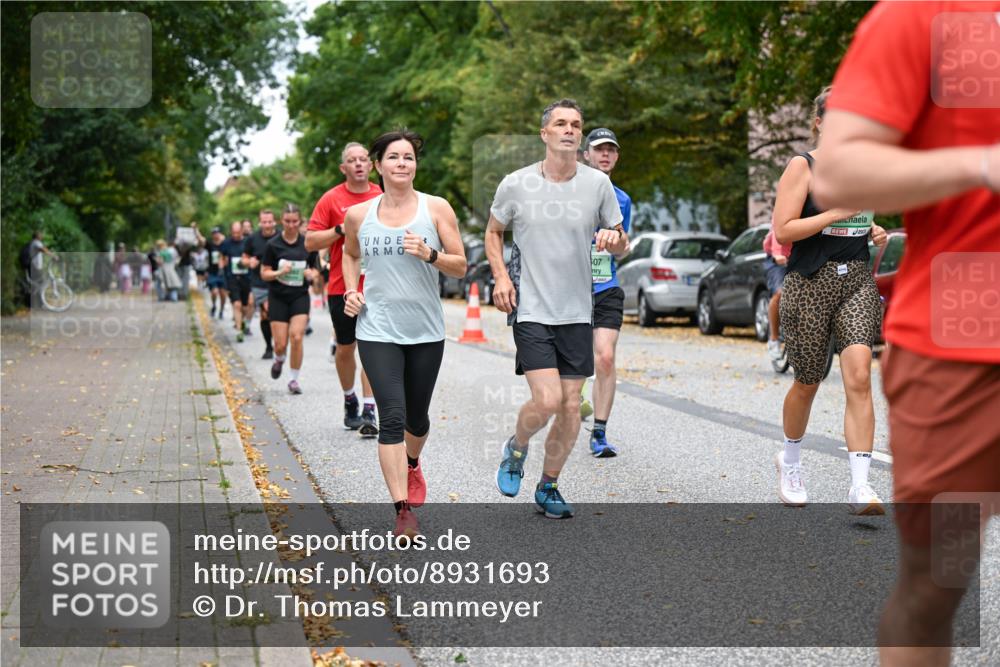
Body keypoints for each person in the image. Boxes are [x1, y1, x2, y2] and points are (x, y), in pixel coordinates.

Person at [811, 3, 999, 664]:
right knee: (939, 580)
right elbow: (837, 174)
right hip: (964, 350)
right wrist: (982, 163)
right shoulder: (929, 15)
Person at [486, 99, 628, 519]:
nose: (570, 129)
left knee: (570, 407)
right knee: (547, 401)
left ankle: (548, 485)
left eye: (576, 125)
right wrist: (500, 277)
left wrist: (613, 240)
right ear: (545, 133)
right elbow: (494, 233)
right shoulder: (516, 183)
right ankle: (516, 447)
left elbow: (621, 239)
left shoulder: (597, 186)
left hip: (577, 312)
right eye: (561, 124)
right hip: (531, 309)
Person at [342, 129, 466, 537]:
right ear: (378, 165)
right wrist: (350, 291)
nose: (401, 163)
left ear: (415, 165)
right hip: (377, 329)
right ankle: (401, 510)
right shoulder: (360, 215)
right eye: (393, 157)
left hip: (425, 330)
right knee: (391, 417)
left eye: (408, 157)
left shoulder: (436, 208)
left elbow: (461, 266)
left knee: (417, 418)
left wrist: (430, 254)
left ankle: (412, 464)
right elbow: (350, 253)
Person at [771, 85, 889, 514]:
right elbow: (783, 230)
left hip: (856, 279)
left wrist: (869, 229)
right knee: (808, 381)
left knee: (859, 376)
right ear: (819, 121)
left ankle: (861, 486)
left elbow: (861, 219)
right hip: (809, 282)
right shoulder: (803, 167)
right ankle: (790, 459)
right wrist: (834, 216)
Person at [306, 142, 383, 437]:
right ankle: (350, 398)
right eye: (353, 160)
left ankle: (369, 408)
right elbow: (311, 242)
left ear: (372, 164)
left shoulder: (383, 195)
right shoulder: (331, 199)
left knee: (374, 349)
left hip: (377, 285)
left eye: (364, 159)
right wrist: (340, 230)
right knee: (346, 348)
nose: (360, 164)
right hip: (342, 286)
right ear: (344, 168)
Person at [581, 127, 632, 457]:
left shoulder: (622, 200)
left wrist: (616, 244)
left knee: (606, 356)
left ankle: (598, 432)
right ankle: (576, 400)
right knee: (569, 367)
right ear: (586, 154)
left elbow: (623, 249)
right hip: (568, 289)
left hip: (605, 287)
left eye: (611, 150)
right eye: (599, 149)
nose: (605, 155)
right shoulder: (568, 193)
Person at [262, 204, 320, 394]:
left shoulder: (307, 244)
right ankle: (279, 359)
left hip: (299, 296)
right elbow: (264, 273)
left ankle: (294, 380)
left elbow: (316, 270)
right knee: (280, 344)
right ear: (281, 221)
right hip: (278, 296)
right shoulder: (273, 245)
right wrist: (280, 272)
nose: (291, 225)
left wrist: (311, 274)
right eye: (287, 221)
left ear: (300, 222)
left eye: (295, 221)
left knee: (296, 336)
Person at [244, 209, 278, 359]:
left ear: (274, 222)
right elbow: (243, 258)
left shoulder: (281, 237)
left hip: (278, 281)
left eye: (269, 222)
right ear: (260, 223)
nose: (267, 225)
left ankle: (278, 341)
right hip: (259, 282)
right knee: (265, 314)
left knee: (273, 313)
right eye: (264, 222)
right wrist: (249, 262)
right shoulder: (252, 239)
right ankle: (269, 346)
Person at [762, 227, 792, 361]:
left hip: (799, 255)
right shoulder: (787, 206)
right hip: (778, 257)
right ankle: (774, 339)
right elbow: (778, 232)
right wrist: (777, 254)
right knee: (780, 293)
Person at [221, 221, 251, 340]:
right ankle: (239, 331)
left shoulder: (247, 242)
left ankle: (242, 321)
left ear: (242, 231)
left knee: (245, 306)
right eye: (233, 232)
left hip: (246, 278)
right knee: (236, 304)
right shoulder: (226, 243)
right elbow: (223, 258)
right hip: (232, 278)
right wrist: (223, 271)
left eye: (238, 232)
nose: (236, 235)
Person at [204, 227, 228, 318]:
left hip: (223, 272)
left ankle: (221, 310)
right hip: (212, 272)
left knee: (223, 294)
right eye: (214, 233)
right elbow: (201, 241)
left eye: (217, 233)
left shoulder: (225, 244)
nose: (216, 235)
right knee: (214, 292)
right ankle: (214, 306)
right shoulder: (210, 245)